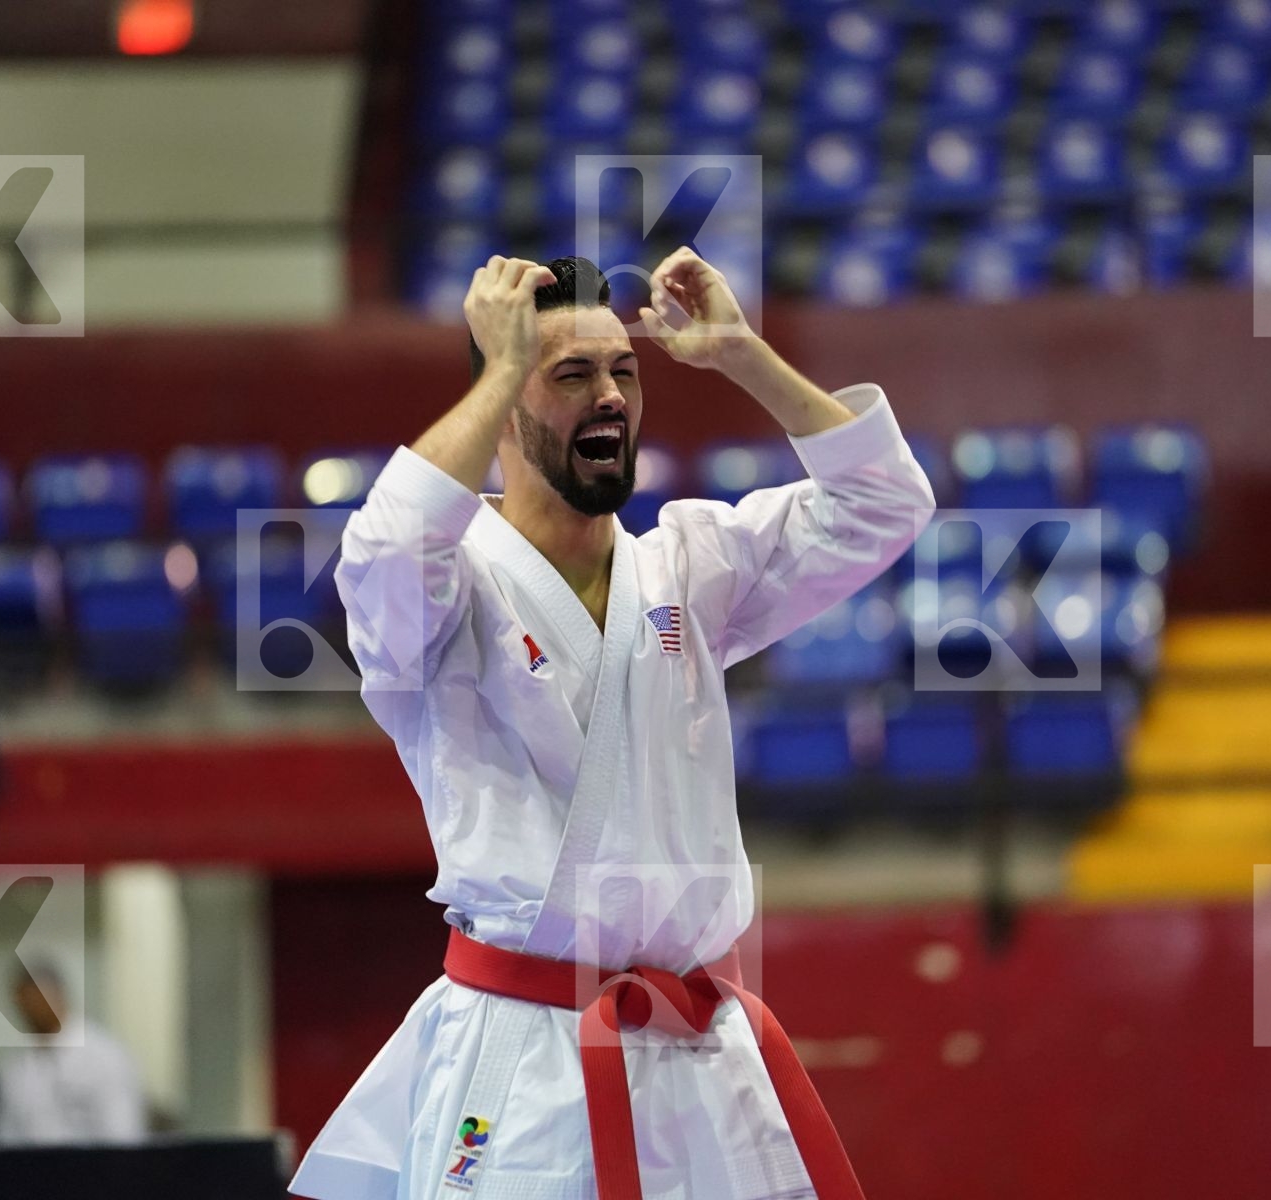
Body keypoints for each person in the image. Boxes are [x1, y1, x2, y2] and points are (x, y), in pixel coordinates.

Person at [290, 249, 935, 1200]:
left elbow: (885, 502)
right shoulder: (442, 597)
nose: (610, 398)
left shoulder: (689, 566)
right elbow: (388, 538)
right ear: (505, 404)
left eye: (624, 372)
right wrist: (500, 360)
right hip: (526, 1056)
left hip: (700, 1058)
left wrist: (742, 353)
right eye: (570, 375)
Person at [0, 965, 146, 1145]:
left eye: (36, 999)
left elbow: (123, 1134)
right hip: (29, 1169)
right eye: (22, 1002)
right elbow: (3, 1138)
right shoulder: (13, 1067)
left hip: (93, 1169)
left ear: (57, 995)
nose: (28, 1009)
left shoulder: (105, 1056)